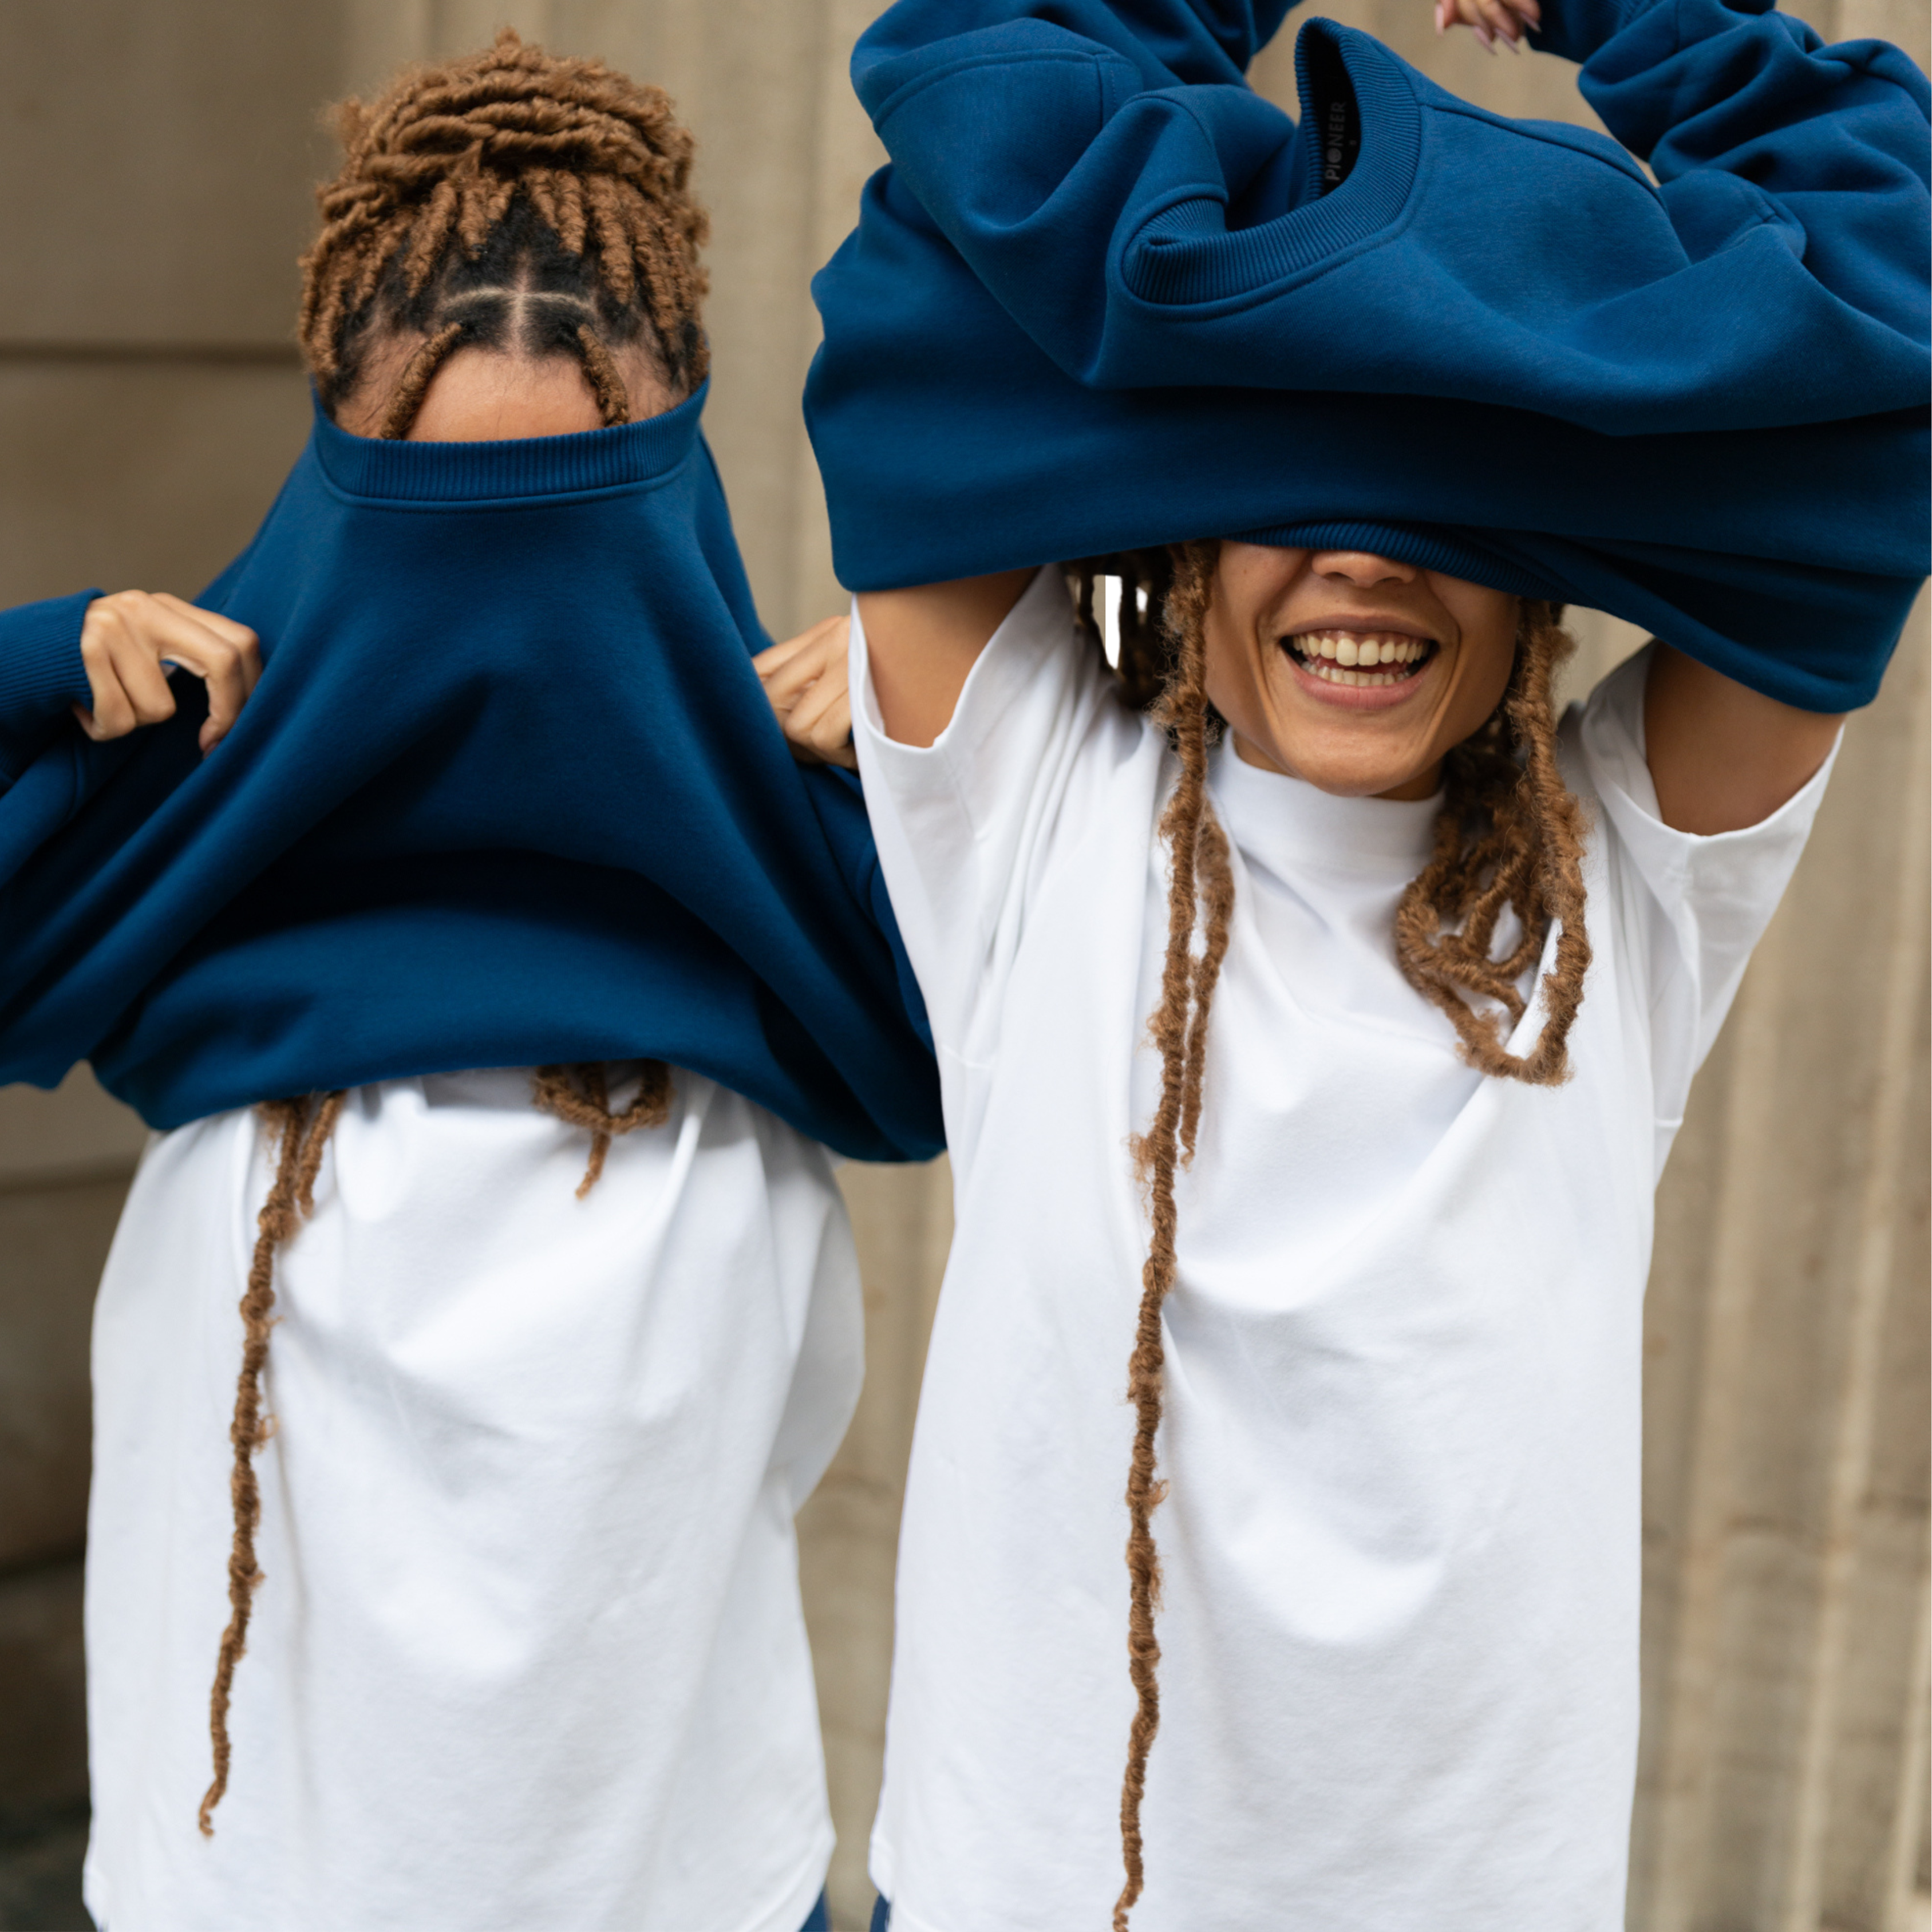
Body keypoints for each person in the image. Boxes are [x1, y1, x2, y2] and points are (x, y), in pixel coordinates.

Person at [757, 0, 1929, 1923]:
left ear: (1539, 577)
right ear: (1182, 552)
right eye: (1288, 509)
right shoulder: (1029, 800)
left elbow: (1890, 343)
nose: (1366, 569)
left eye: (1446, 523)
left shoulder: (1616, 885)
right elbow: (929, 251)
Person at [0, 33, 939, 1932]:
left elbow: (1122, 905)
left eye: (577, 512)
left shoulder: (845, 838)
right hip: (253, 1805)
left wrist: (978, 700)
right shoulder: (170, 773)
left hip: (670, 1827)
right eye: (438, 516)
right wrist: (32, 662)